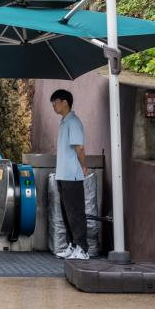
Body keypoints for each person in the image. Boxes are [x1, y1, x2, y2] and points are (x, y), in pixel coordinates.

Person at [50, 89, 90, 260]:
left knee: (75, 213)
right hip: (63, 175)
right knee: (67, 213)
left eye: (56, 101)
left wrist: (84, 167)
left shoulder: (73, 122)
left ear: (65, 102)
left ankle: (82, 249)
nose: (53, 105)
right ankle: (72, 245)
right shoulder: (64, 122)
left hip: (72, 175)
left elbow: (79, 147)